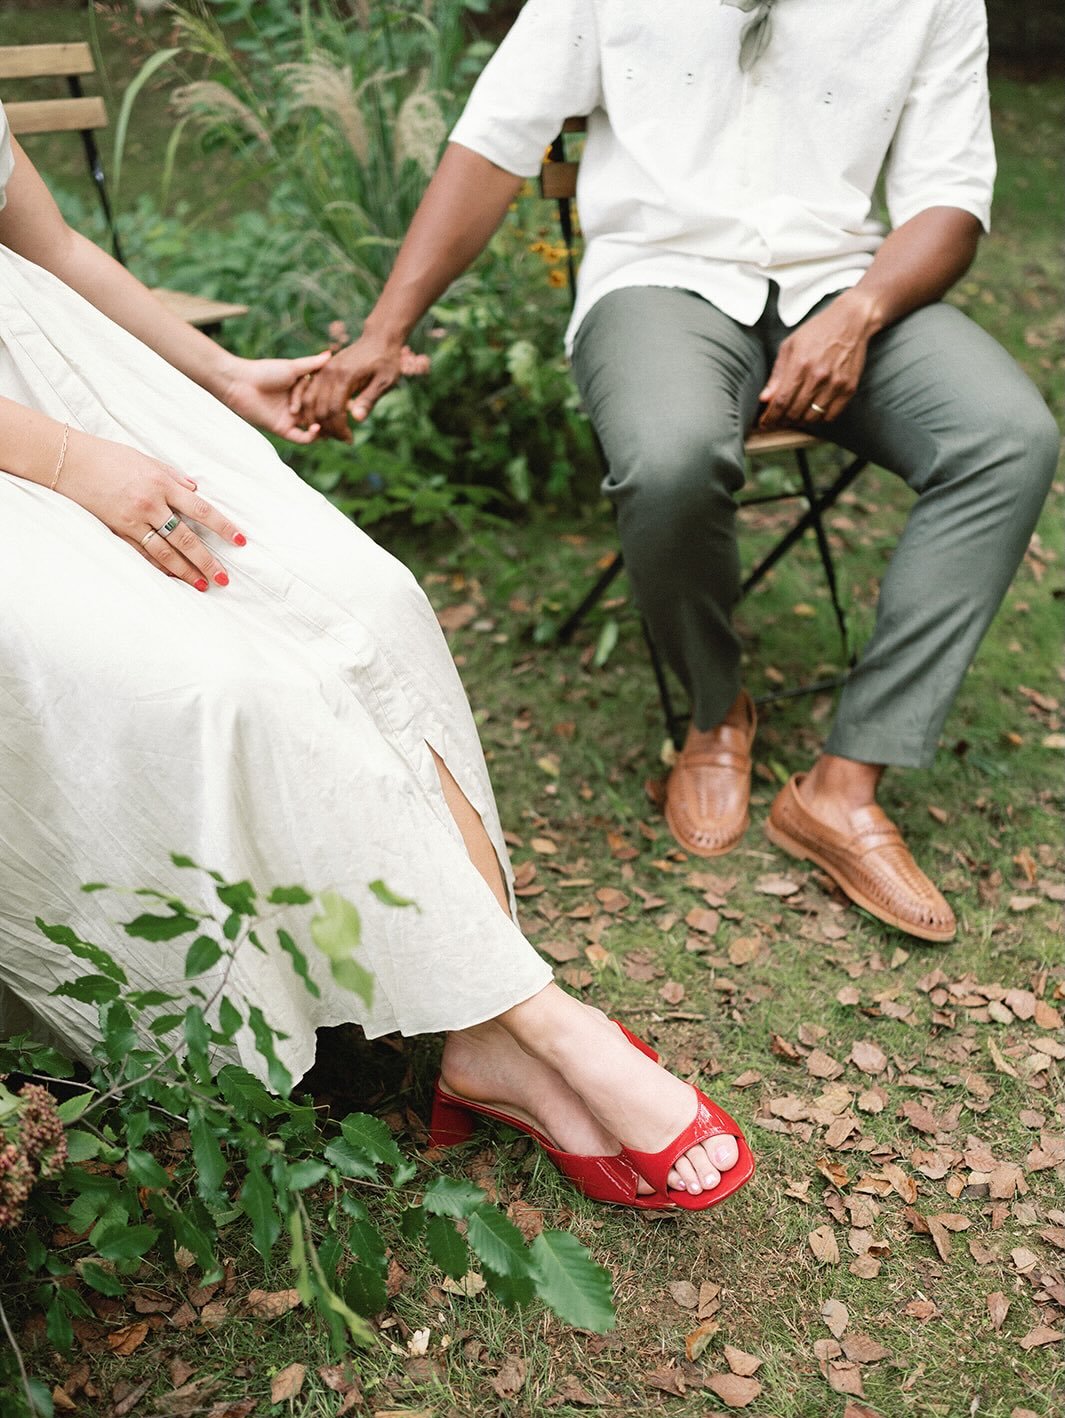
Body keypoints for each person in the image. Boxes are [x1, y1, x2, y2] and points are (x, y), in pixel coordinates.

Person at [0, 103, 753, 1212]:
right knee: (225, 685)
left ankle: (486, 1025)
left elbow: (47, 246)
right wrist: (73, 463)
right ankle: (538, 1022)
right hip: (40, 457)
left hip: (60, 383)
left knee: (370, 601)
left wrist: (220, 374)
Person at [299, 0, 1058, 945]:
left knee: (1006, 437)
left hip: (845, 284)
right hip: (656, 281)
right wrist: (385, 330)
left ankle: (844, 781)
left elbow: (951, 199)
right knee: (671, 459)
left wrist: (859, 314)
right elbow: (497, 141)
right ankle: (712, 709)